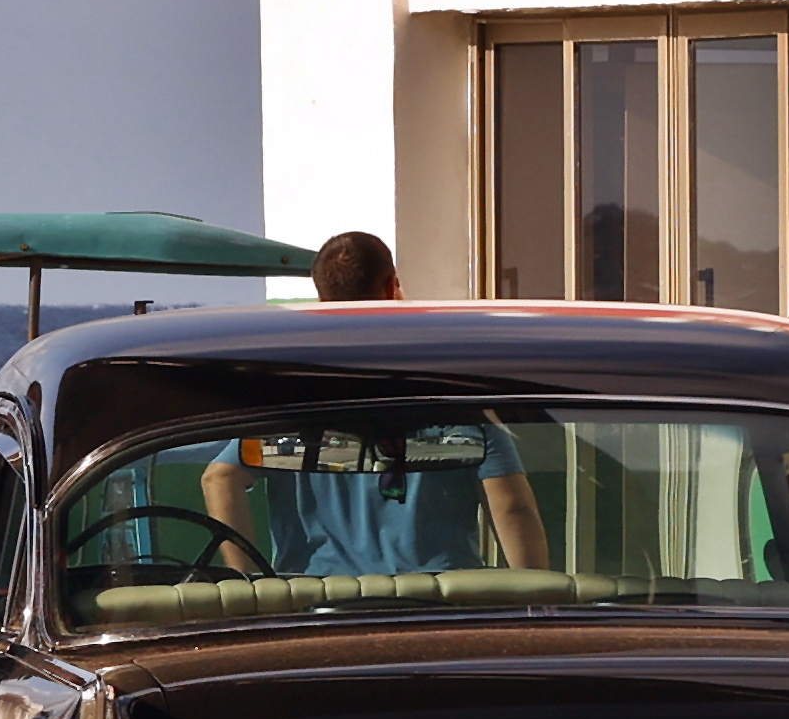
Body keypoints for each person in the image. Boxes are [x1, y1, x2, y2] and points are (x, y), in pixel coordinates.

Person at [199, 230, 551, 572]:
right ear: (392, 287)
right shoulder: (451, 395)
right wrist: (540, 605)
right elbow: (511, 506)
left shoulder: (291, 404)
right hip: (438, 616)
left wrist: (246, 585)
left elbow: (220, 478)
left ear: (322, 302)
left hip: (318, 614)